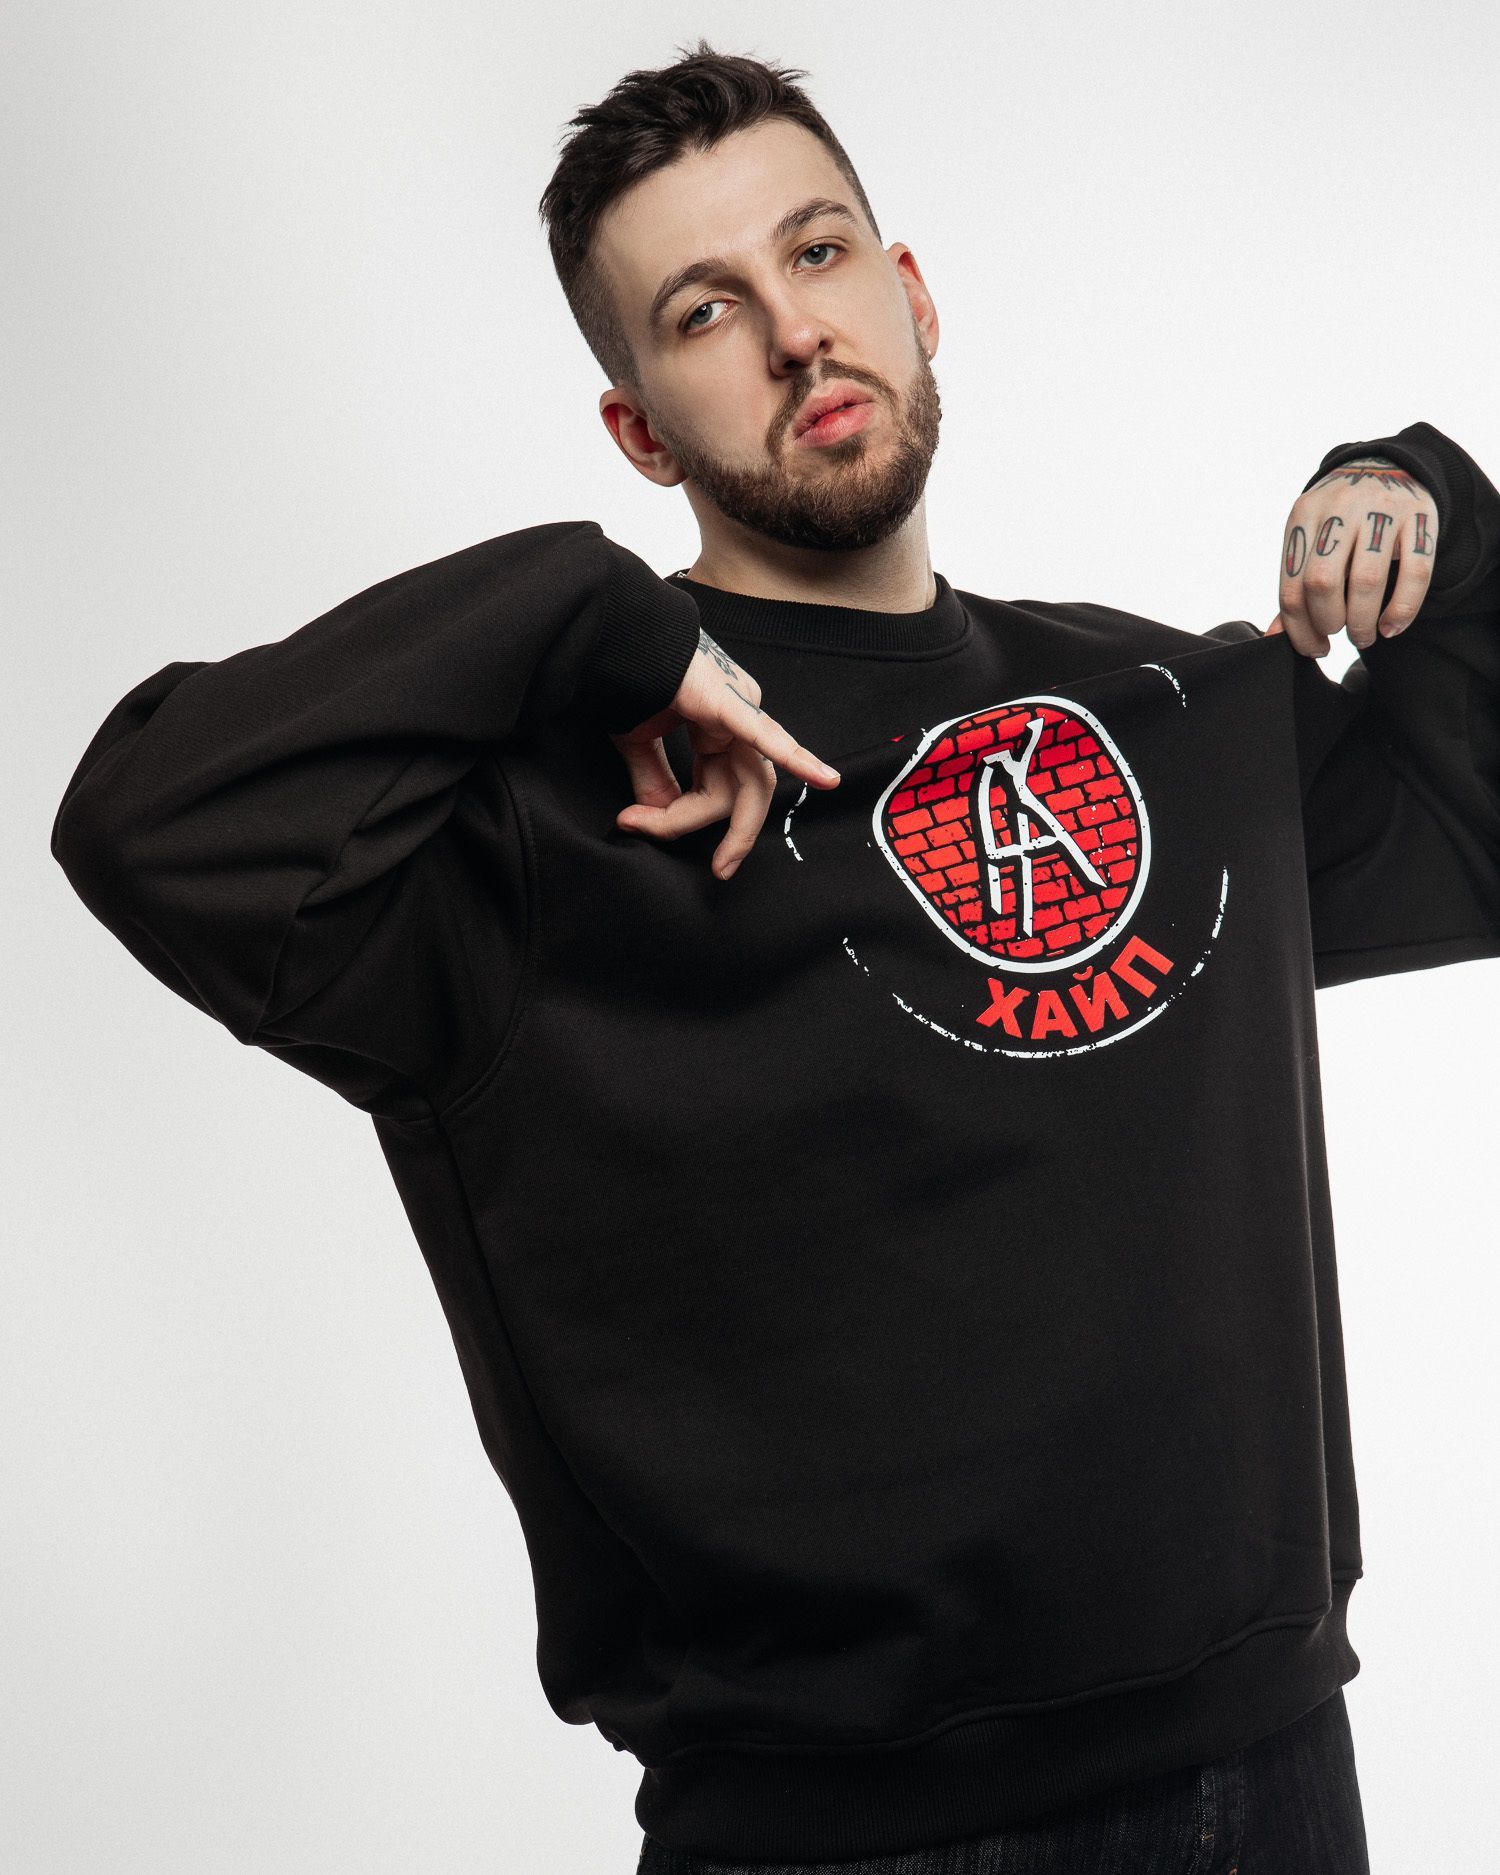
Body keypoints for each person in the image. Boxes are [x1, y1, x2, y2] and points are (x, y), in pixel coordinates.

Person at [50, 38, 1498, 1875]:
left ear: (914, 298)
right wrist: (582, 607)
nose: (797, 333)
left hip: (1276, 1777)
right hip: (841, 1841)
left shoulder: (1168, 718)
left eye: (818, 255)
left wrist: (1434, 505)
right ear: (639, 432)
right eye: (706, 309)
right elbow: (147, 816)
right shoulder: (563, 817)